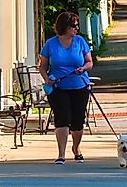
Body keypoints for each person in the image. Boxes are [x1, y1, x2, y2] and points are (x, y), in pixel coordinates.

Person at [38, 11, 93, 164]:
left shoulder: (80, 41)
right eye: (74, 26)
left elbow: (89, 62)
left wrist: (83, 68)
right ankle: (61, 154)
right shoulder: (51, 44)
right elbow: (42, 66)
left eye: (77, 26)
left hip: (79, 85)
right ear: (65, 27)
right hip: (58, 87)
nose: (76, 29)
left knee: (78, 120)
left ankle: (76, 148)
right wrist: (47, 79)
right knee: (61, 118)